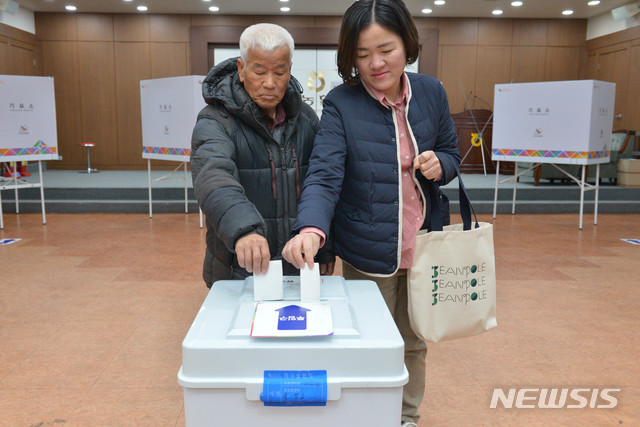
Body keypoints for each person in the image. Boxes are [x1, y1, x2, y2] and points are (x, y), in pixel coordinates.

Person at [281, 1, 461, 425]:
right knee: (371, 340)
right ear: (350, 56)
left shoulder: (431, 91)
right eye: (362, 55)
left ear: (407, 44)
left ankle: (406, 417)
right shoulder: (343, 102)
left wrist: (443, 165)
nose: (376, 63)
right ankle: (369, 416)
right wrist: (311, 228)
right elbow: (325, 174)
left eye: (386, 49)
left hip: (424, 243)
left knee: (414, 340)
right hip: (369, 245)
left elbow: (452, 152)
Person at [191, 23, 334, 288]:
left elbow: (321, 182)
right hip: (239, 263)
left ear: (289, 70)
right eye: (259, 71)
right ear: (242, 70)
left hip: (298, 264)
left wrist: (324, 246)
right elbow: (213, 177)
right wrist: (243, 229)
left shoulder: (306, 118)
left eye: (280, 72)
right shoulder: (214, 120)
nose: (270, 83)